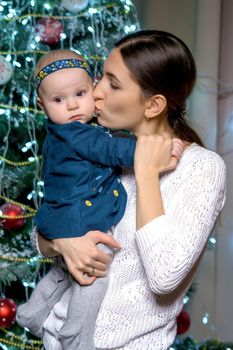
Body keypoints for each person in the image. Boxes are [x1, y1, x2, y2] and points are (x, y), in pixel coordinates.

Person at [30, 30, 226, 350]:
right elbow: (41, 231)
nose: (96, 92)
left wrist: (146, 171)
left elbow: (164, 278)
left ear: (153, 105)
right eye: (100, 77)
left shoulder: (203, 167)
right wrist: (63, 243)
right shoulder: (102, 148)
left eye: (113, 83)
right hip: (56, 340)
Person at [17, 48, 184, 349]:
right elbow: (111, 151)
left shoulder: (59, 134)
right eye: (59, 100)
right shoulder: (78, 133)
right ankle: (77, 335)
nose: (72, 106)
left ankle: (33, 311)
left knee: (63, 270)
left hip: (61, 214)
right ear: (42, 106)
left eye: (80, 93)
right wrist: (148, 151)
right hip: (81, 216)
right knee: (94, 277)